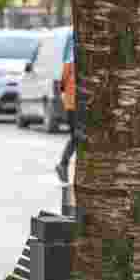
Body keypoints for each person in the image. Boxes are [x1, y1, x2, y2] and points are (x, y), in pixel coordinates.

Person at [55, 52, 77, 184]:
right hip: (75, 105)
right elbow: (62, 83)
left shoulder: (70, 60)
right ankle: (63, 164)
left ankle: (63, 165)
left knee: (77, 136)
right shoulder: (70, 61)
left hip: (73, 104)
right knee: (77, 136)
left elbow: (62, 83)